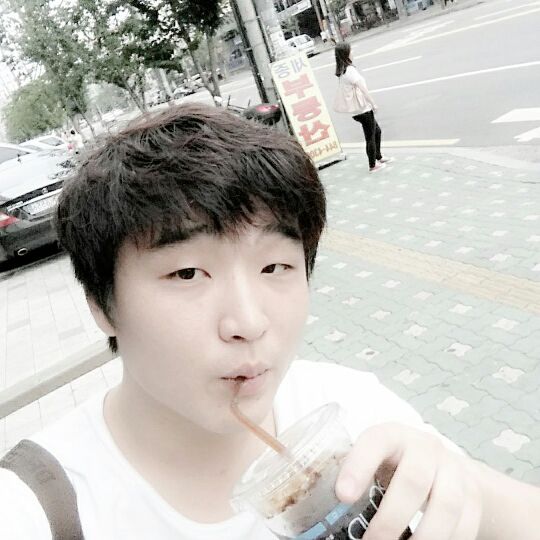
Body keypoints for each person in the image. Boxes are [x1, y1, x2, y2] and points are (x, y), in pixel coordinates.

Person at [0, 103, 539, 539]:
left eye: (275, 266)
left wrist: (460, 487)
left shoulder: (352, 413)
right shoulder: (39, 507)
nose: (249, 322)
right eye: (187, 273)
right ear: (101, 304)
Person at [334, 41, 391, 173]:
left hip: (357, 111)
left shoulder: (342, 71)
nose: (352, 52)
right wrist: (373, 103)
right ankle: (372, 165)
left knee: (377, 131)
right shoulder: (350, 70)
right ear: (346, 53)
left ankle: (379, 157)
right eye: (351, 50)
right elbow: (363, 89)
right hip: (363, 109)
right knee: (370, 136)